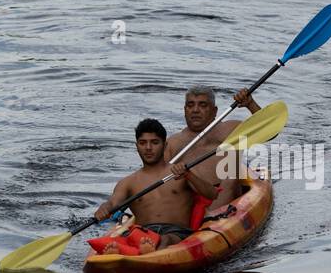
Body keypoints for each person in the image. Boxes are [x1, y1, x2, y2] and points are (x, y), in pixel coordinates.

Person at [94, 118, 215, 249]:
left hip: (176, 233)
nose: (148, 148)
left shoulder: (181, 172)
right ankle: (128, 251)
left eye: (154, 142)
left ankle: (150, 251)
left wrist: (189, 175)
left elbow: (212, 194)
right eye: (142, 143)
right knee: (129, 238)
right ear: (137, 146)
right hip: (144, 233)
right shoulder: (128, 182)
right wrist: (105, 208)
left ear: (165, 145)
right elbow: (113, 202)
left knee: (166, 239)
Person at [164, 86, 261, 221]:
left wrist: (250, 104)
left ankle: (208, 219)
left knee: (230, 175)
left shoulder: (231, 129)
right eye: (190, 105)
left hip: (227, 194)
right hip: (191, 198)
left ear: (214, 111)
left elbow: (268, 131)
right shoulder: (172, 143)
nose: (195, 110)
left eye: (203, 105)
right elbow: (159, 179)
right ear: (184, 110)